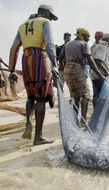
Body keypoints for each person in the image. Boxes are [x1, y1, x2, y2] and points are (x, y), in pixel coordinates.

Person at [8, 4, 58, 145]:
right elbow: (49, 44)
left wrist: (12, 70)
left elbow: (13, 48)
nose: (51, 20)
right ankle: (38, 137)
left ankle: (28, 123)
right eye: (50, 16)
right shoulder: (44, 22)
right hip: (40, 58)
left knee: (31, 96)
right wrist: (54, 62)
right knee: (41, 98)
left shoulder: (22, 25)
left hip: (26, 58)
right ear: (43, 12)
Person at [59, 28, 107, 127]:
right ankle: (83, 120)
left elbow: (60, 57)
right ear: (82, 35)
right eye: (87, 36)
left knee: (75, 95)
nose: (88, 39)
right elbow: (90, 60)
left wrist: (63, 68)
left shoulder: (68, 44)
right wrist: (100, 75)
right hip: (77, 68)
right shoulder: (83, 44)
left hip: (67, 70)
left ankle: (74, 120)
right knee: (85, 94)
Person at [90, 33, 109, 108]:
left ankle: (96, 112)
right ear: (106, 39)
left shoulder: (97, 46)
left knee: (96, 94)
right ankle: (100, 111)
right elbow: (98, 60)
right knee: (102, 94)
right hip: (101, 75)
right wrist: (106, 71)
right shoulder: (103, 47)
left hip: (95, 74)